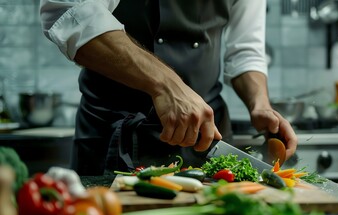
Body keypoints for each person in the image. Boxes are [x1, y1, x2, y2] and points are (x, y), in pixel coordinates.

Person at [39, 0, 298, 176]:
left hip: (208, 140)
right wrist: (167, 85)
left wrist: (259, 104)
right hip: (114, 135)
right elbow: (69, 12)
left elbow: (246, 50)